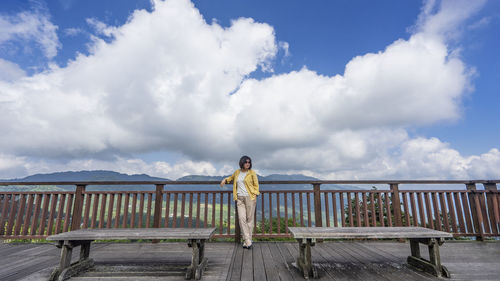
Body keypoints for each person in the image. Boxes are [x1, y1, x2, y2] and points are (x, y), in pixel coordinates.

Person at [220, 155, 260, 249]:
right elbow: (231, 178)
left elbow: (256, 186)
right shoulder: (237, 172)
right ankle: (247, 240)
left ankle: (247, 241)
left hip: (250, 198)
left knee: (249, 220)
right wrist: (225, 180)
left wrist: (255, 194)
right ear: (242, 162)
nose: (247, 164)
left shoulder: (252, 173)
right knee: (242, 219)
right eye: (246, 162)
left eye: (249, 162)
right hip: (239, 199)